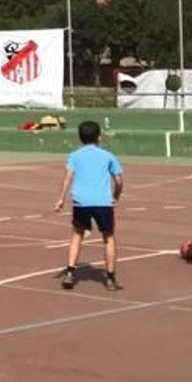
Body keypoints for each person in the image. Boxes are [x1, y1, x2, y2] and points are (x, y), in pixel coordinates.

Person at [53, 120, 124, 291]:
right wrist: (116, 195)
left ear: (80, 137)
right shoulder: (108, 156)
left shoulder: (74, 156)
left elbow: (68, 176)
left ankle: (70, 272)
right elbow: (119, 180)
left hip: (81, 202)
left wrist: (61, 198)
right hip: (102, 202)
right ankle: (110, 277)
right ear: (99, 136)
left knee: (77, 235)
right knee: (108, 237)